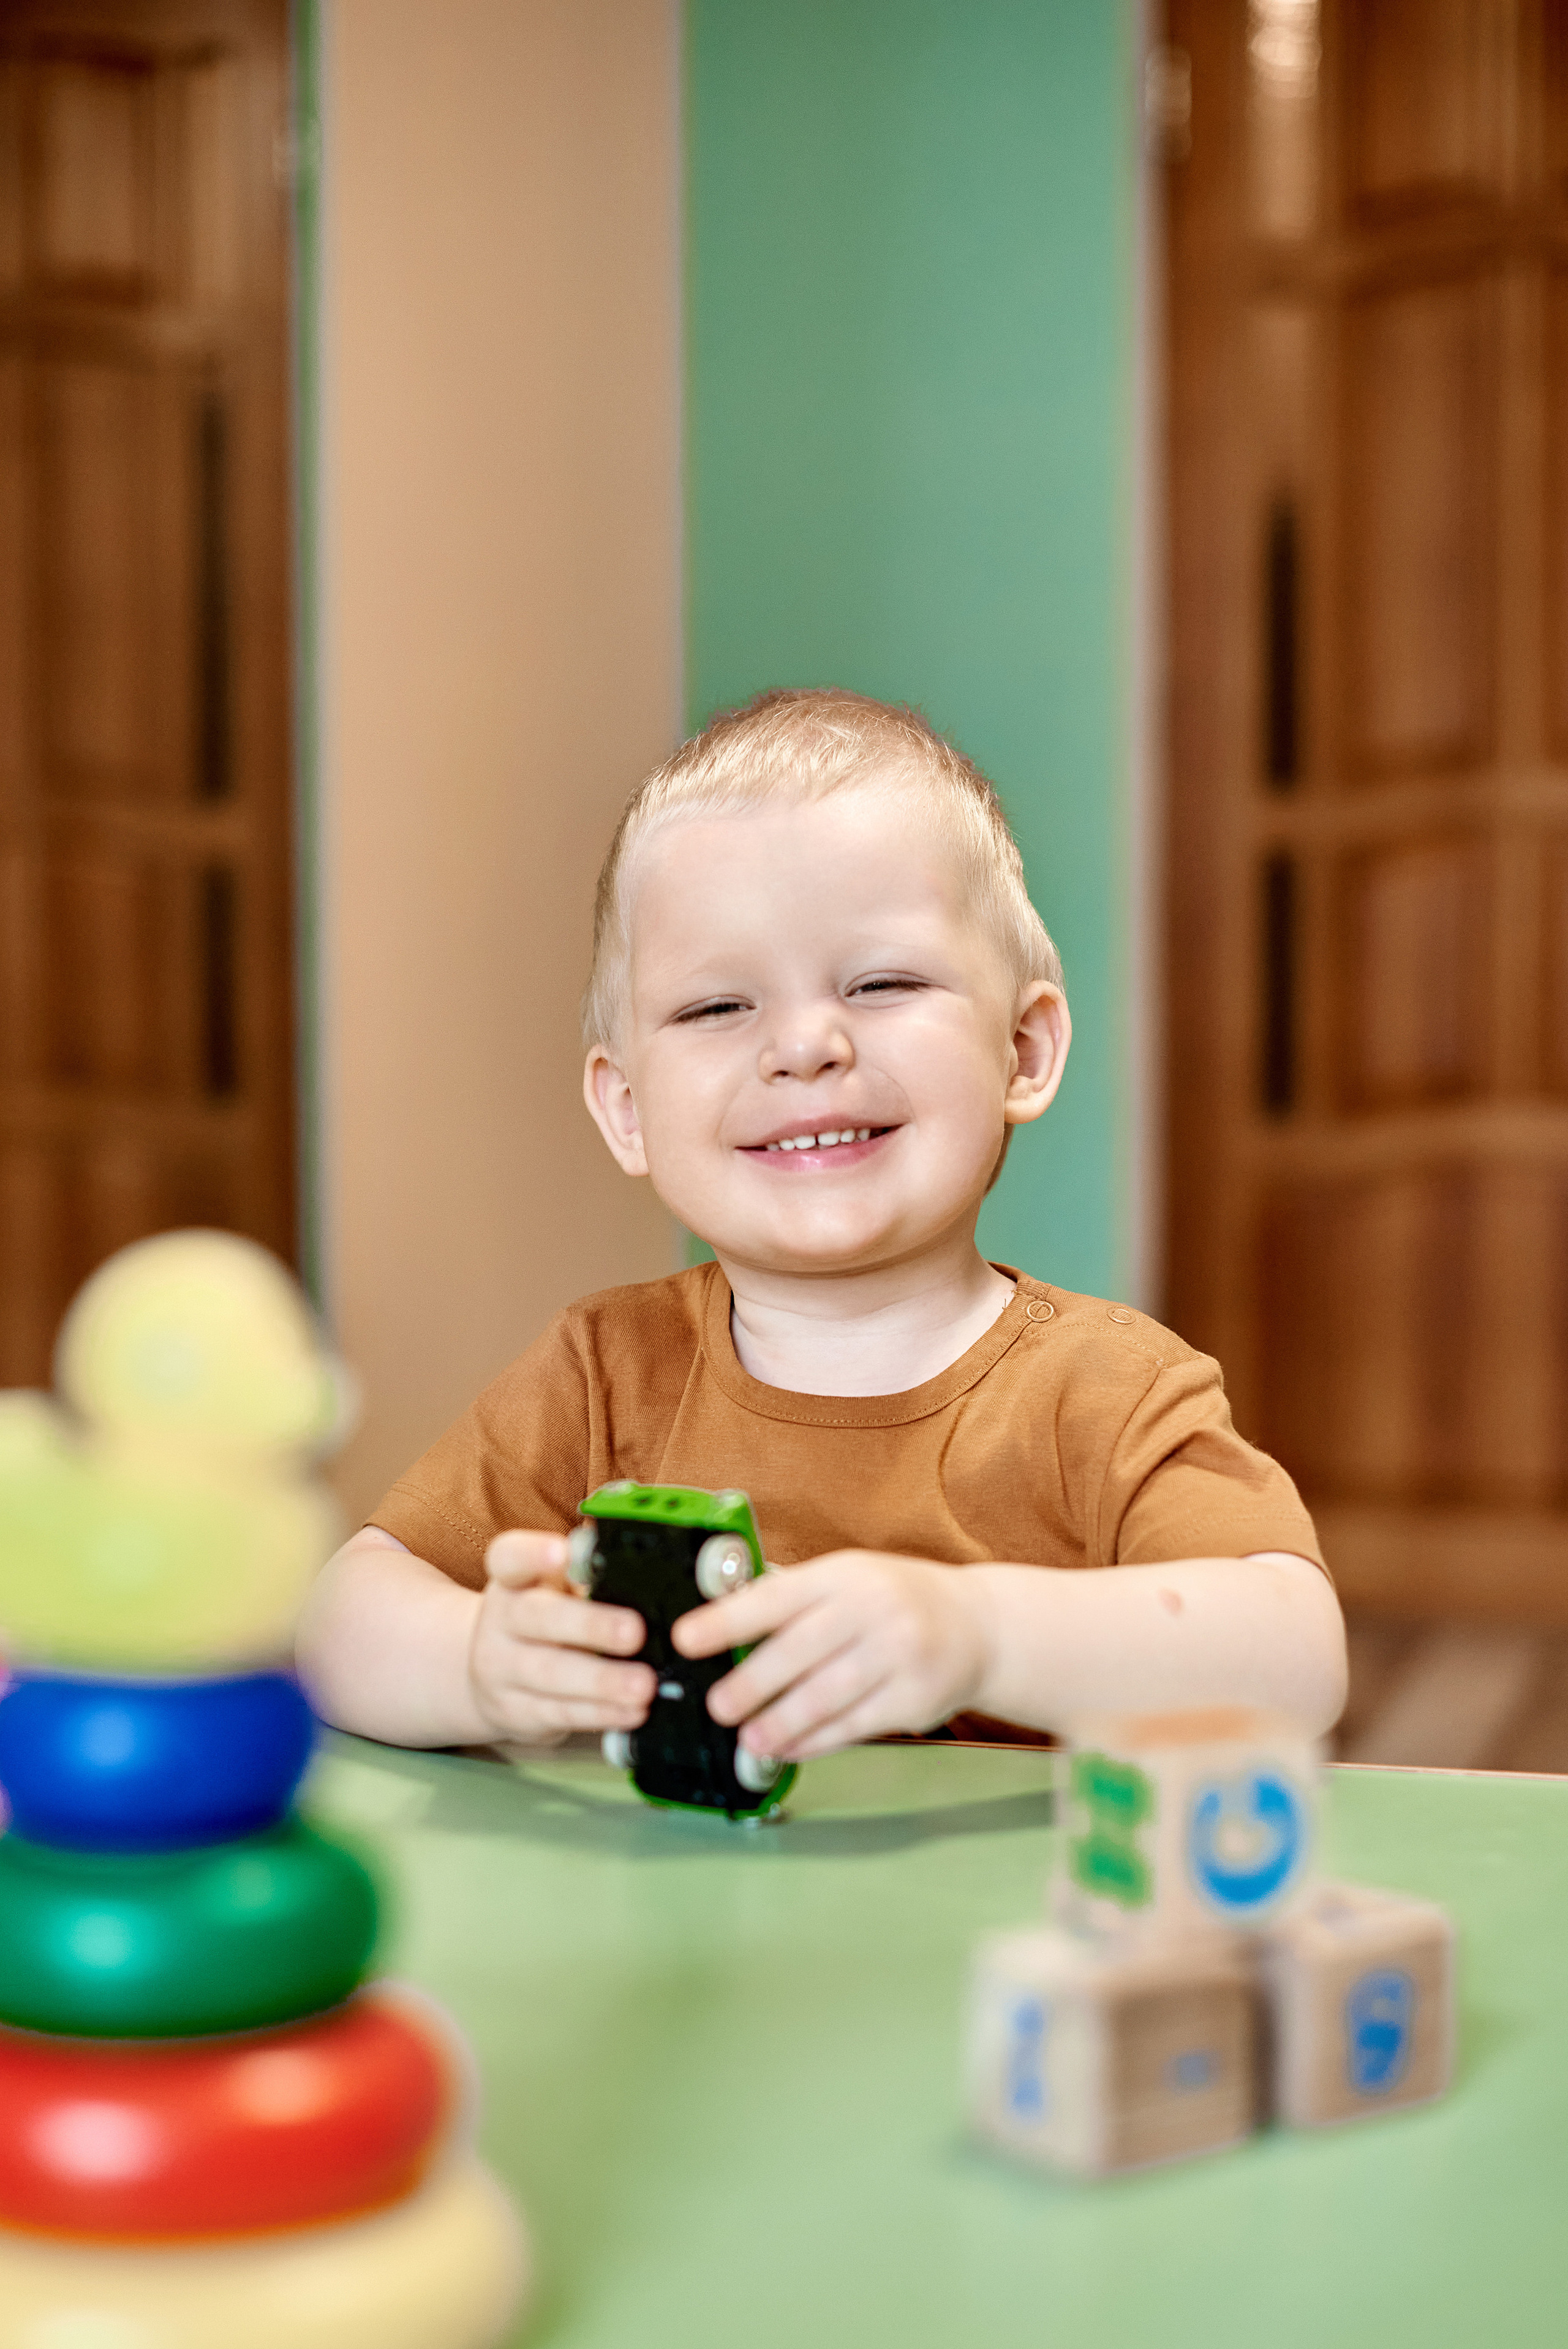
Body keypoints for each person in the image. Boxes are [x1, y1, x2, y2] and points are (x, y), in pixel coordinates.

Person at [297, 689, 1346, 1761]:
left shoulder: (1106, 1395)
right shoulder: (604, 1378)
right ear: (626, 1109)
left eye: (882, 981)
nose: (804, 1045)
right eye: (718, 1007)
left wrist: (979, 1635)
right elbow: (342, 1619)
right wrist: (480, 1660)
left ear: (1022, 1052)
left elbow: (1296, 1657)